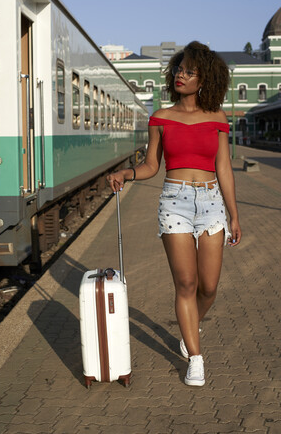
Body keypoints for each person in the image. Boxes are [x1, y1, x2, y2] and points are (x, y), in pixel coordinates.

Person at [107, 41, 241, 387]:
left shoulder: (217, 119)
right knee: (186, 283)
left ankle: (189, 327)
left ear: (205, 79)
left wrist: (234, 215)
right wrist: (127, 173)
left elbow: (224, 167)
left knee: (209, 288)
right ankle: (195, 358)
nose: (181, 75)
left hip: (212, 203)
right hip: (175, 202)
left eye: (190, 71)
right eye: (179, 69)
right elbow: (153, 165)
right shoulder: (161, 118)